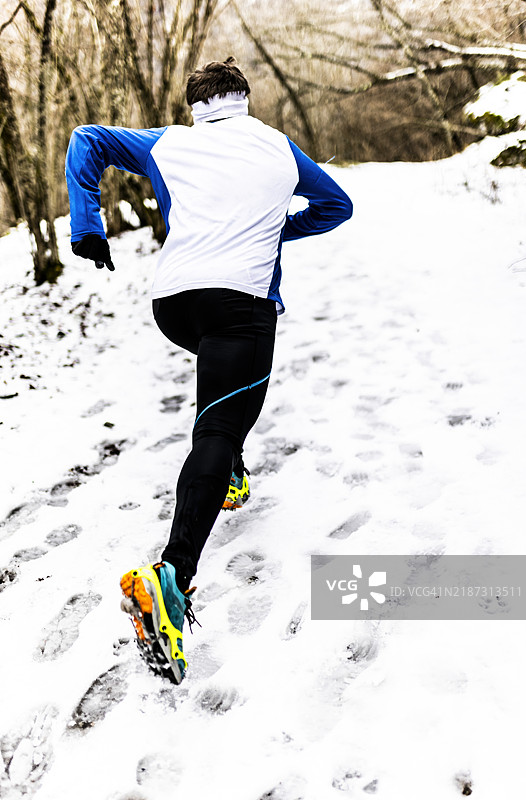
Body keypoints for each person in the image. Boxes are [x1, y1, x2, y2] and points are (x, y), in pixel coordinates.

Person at [65, 57, 353, 684]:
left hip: (174, 305)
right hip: (239, 305)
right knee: (218, 429)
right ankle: (172, 577)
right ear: (245, 99)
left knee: (222, 396)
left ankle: (231, 475)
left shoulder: (170, 143)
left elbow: (87, 138)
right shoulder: (277, 148)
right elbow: (337, 205)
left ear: (194, 106)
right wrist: (273, 230)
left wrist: (87, 224)